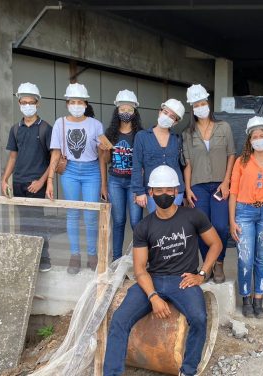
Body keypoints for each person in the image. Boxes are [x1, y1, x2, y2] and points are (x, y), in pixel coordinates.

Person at [104, 166, 223, 376]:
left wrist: (202, 274)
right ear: (150, 193)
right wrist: (153, 297)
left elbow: (216, 244)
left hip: (183, 280)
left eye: (169, 190)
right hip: (153, 279)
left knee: (198, 318)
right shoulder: (144, 226)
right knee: (120, 320)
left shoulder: (193, 216)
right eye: (159, 190)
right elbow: (140, 269)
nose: (164, 194)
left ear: (177, 190)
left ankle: (188, 370)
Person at [229, 116, 263, 319]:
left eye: (262, 136)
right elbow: (233, 192)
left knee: (262, 258)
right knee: (245, 258)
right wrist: (232, 221)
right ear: (249, 140)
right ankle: (246, 298)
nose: (259, 139)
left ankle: (258, 300)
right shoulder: (241, 162)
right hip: (244, 212)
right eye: (255, 136)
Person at [46, 83, 104, 274]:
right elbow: (55, 154)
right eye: (72, 101)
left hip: (91, 171)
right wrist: (49, 181)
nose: (76, 105)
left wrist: (104, 182)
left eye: (80, 101)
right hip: (69, 170)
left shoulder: (96, 125)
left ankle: (93, 255)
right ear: (67, 103)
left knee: (90, 216)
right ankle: (75, 255)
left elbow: (103, 155)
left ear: (86, 103)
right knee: (72, 214)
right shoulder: (60, 123)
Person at [183, 84, 236, 283]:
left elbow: (231, 155)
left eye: (203, 103)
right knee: (201, 227)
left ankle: (219, 262)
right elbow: (188, 164)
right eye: (196, 104)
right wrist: (187, 188)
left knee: (221, 226)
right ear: (192, 108)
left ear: (208, 103)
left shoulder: (224, 127)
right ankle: (208, 265)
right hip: (198, 186)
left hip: (219, 185)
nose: (201, 107)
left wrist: (226, 181)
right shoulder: (188, 134)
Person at [1, 82, 52, 272]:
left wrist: (41, 181)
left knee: (38, 222)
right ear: (19, 103)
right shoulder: (15, 129)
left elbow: (52, 161)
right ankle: (27, 257)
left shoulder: (46, 128)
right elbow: (13, 156)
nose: (27, 105)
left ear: (37, 103)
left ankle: (44, 259)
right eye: (23, 102)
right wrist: (4, 179)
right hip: (19, 182)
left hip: (36, 184)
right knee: (23, 223)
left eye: (31, 102)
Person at [99, 90, 143, 261]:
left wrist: (141, 187)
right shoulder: (109, 134)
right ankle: (116, 259)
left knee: (136, 223)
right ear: (117, 110)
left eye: (129, 109)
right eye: (122, 109)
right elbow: (104, 161)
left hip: (134, 183)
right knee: (118, 222)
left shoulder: (140, 135)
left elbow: (143, 163)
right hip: (115, 182)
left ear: (135, 112)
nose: (126, 112)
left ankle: (139, 258)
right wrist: (103, 185)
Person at [132, 99, 186, 214]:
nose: (167, 117)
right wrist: (139, 192)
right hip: (153, 191)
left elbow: (182, 166)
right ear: (159, 111)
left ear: (175, 122)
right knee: (157, 226)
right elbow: (137, 165)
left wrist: (185, 193)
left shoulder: (177, 139)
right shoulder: (142, 137)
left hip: (176, 191)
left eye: (172, 116)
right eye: (165, 112)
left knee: (174, 225)